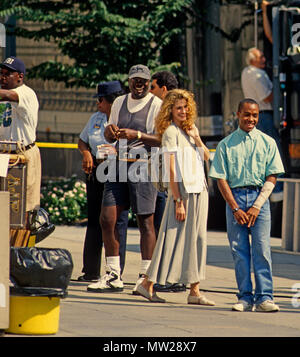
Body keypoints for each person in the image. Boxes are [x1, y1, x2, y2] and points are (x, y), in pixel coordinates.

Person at [135, 89, 215, 306]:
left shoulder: (190, 130)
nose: (183, 111)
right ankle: (147, 284)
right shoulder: (170, 132)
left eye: (186, 107)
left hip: (200, 189)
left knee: (198, 240)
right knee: (170, 239)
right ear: (169, 110)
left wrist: (197, 137)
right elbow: (171, 169)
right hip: (183, 193)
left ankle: (194, 291)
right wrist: (178, 200)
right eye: (178, 107)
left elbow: (208, 157)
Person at [87, 64, 162, 293]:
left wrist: (136, 134)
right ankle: (112, 273)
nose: (139, 84)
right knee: (107, 219)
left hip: (144, 165)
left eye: (143, 81)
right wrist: (110, 133)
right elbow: (111, 132)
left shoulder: (156, 105)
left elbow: (161, 138)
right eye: (135, 80)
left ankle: (145, 276)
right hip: (118, 164)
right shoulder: (119, 102)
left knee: (145, 222)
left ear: (148, 83)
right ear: (129, 81)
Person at [209, 98, 284, 312]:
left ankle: (265, 298)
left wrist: (257, 205)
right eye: (247, 114)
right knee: (239, 251)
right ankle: (244, 297)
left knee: (262, 250)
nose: (251, 119)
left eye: (255, 115)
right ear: (238, 114)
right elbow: (220, 179)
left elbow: (272, 176)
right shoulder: (226, 144)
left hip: (259, 202)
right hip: (235, 200)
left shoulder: (268, 143)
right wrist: (234, 207)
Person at [77, 81, 129, 282]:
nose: (97, 103)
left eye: (101, 100)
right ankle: (90, 271)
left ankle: (116, 272)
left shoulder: (125, 119)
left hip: (117, 172)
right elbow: (82, 140)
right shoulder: (96, 118)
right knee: (95, 220)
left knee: (116, 222)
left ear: (112, 102)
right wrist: (86, 154)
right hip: (96, 171)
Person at [149, 70, 186, 294]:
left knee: (167, 227)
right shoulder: (172, 110)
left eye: (153, 87)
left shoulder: (169, 112)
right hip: (176, 179)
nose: (151, 92)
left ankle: (164, 278)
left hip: (174, 180)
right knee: (169, 227)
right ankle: (166, 277)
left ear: (164, 89)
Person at [0, 56, 41, 227]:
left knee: (23, 204)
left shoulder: (26, 93)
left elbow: (9, 95)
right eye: (1, 73)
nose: (2, 77)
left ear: (20, 76)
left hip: (23, 155)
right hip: (4, 156)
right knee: (3, 202)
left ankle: (21, 248)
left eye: (7, 73)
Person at [241, 47, 284, 201]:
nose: (264, 60)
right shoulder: (258, 74)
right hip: (264, 115)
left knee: (260, 154)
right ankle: (278, 191)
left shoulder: (246, 72)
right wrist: (279, 87)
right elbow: (266, 97)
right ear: (253, 60)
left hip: (256, 116)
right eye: (261, 57)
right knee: (273, 151)